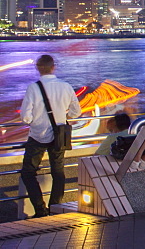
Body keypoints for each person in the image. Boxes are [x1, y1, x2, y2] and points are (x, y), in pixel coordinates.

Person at [19, 55, 82, 217]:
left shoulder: (33, 88)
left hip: (37, 135)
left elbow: (25, 117)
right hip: (59, 135)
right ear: (53, 67)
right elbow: (76, 112)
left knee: (28, 172)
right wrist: (62, 116)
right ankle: (56, 207)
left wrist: (35, 121)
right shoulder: (66, 86)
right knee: (58, 171)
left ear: (38, 68)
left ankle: (40, 209)